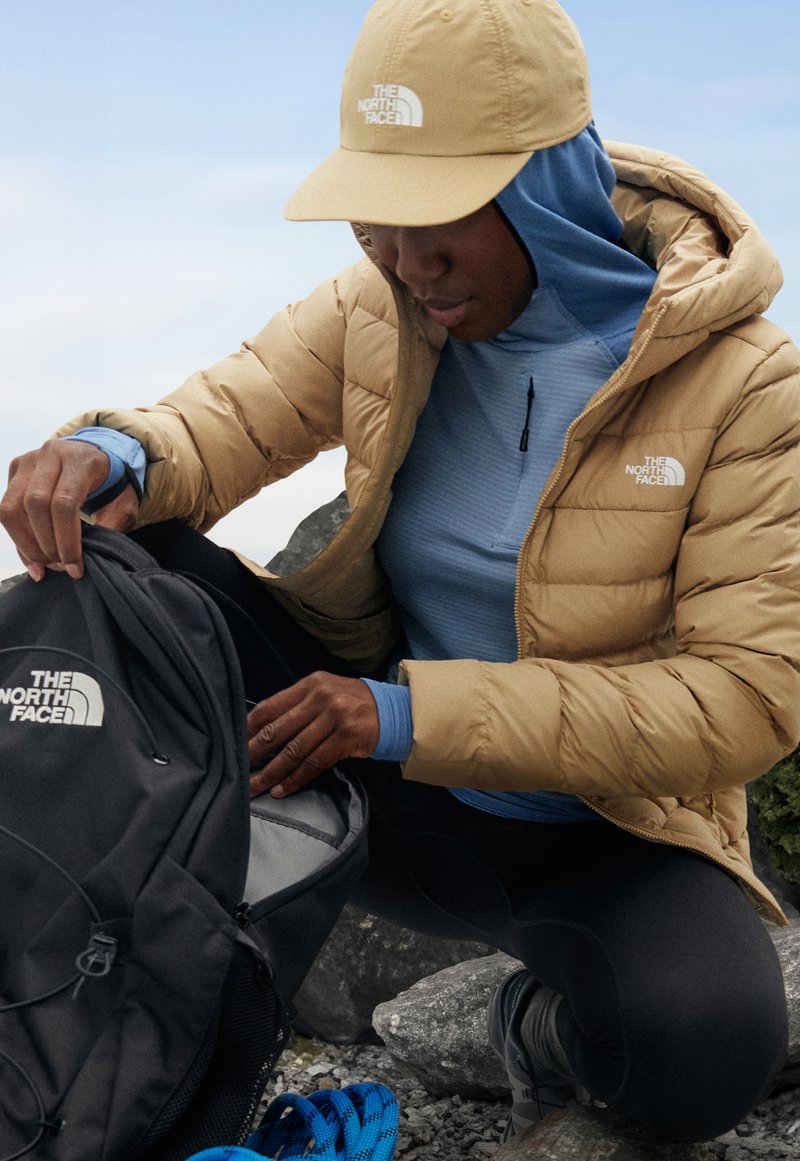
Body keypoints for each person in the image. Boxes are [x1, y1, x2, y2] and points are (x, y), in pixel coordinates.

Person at [2, 0, 800, 1144]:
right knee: (121, 553)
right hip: (363, 785)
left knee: (707, 1048)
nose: (405, 269)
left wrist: (397, 713)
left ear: (542, 185)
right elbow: (219, 420)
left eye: (436, 233)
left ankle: (528, 1027)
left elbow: (743, 699)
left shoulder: (746, 382)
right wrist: (117, 448)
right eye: (375, 229)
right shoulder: (378, 304)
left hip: (591, 835)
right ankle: (66, 1020)